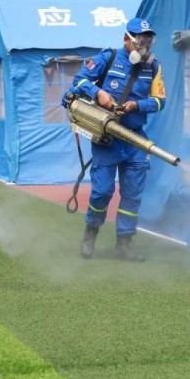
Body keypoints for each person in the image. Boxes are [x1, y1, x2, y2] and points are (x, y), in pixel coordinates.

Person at [64, 17, 167, 262]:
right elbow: (79, 80)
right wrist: (98, 92)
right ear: (126, 39)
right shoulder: (107, 58)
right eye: (139, 41)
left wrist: (137, 105)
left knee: (132, 194)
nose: (144, 47)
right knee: (102, 191)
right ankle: (90, 234)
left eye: (148, 42)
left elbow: (160, 101)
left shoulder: (153, 67)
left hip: (135, 138)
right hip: (107, 138)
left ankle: (124, 244)